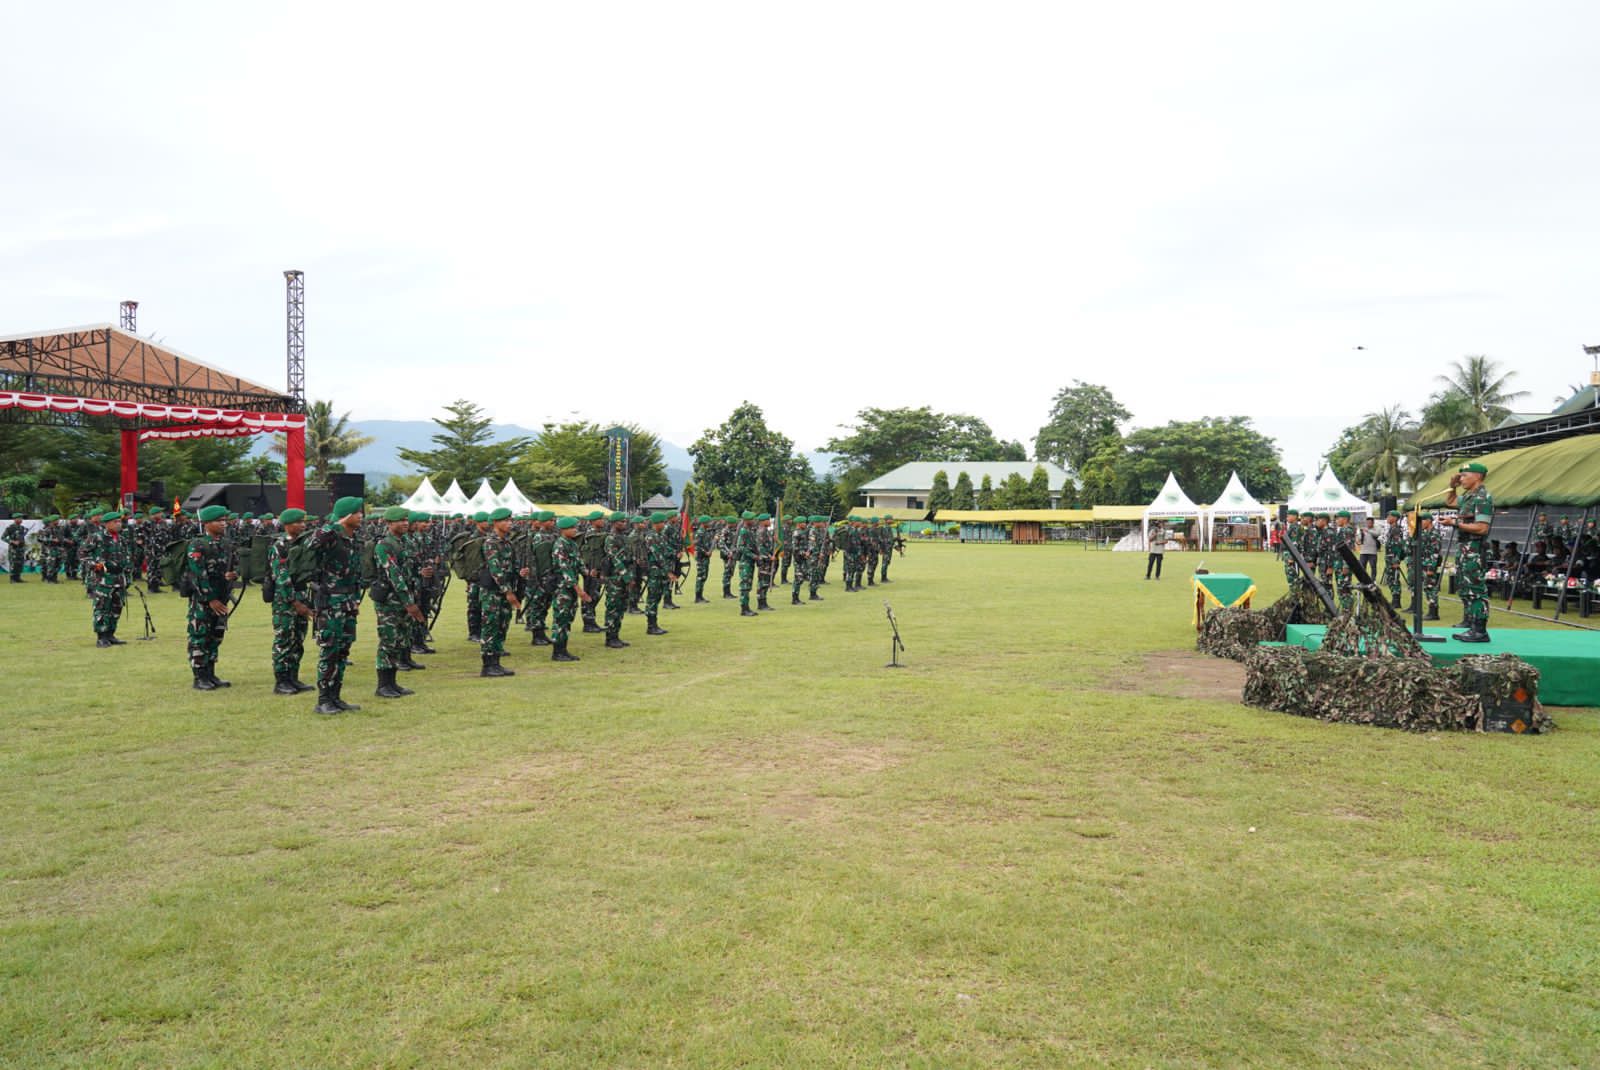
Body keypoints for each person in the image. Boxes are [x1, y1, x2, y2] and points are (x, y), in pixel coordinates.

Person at [310, 496, 367, 713]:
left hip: (347, 601)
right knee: (329, 650)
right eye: (357, 512)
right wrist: (335, 523)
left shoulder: (352, 540)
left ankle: (336, 697)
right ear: (347, 516)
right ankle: (323, 700)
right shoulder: (330, 536)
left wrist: (355, 599)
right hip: (330, 601)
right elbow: (311, 543)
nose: (361, 516)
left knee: (343, 650)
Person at [372, 506, 426, 698]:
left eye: (406, 519)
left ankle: (392, 682)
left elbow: (409, 571)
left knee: (400, 640)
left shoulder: (406, 543)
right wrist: (409, 602)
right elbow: (394, 575)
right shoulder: (384, 545)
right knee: (388, 641)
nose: (405, 523)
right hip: (390, 601)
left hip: (405, 599)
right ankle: (383, 685)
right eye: (400, 520)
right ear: (389, 523)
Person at [185, 504, 237, 690]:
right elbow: (197, 574)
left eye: (225, 520)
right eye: (219, 521)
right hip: (203, 599)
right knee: (200, 636)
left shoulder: (226, 543)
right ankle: (200, 676)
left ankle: (211, 673)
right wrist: (210, 599)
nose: (224, 524)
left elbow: (231, 567)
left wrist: (233, 575)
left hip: (222, 596)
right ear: (206, 523)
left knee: (216, 635)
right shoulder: (197, 544)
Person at [1441, 462, 1493, 642]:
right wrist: (1452, 486)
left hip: (1475, 550)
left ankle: (1480, 631)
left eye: (1464, 475)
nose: (1461, 478)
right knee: (1466, 587)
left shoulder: (1482, 498)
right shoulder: (1469, 497)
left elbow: (1482, 528)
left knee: (1476, 589)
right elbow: (1450, 502)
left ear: (1477, 476)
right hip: (1465, 548)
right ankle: (1471, 625)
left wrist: (1455, 523)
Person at [268, 507, 316, 695]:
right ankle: (281, 681)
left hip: (302, 597)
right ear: (287, 525)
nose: (303, 525)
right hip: (285, 602)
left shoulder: (304, 545)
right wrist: (296, 603)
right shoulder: (278, 547)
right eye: (298, 522)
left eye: (303, 522)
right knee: (284, 640)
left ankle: (293, 677)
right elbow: (282, 577)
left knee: (298, 639)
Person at [478, 507, 522, 678]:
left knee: (502, 625)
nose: (509, 523)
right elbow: (495, 569)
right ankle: (487, 665)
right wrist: (508, 592)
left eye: (510, 520)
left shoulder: (508, 542)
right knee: (490, 626)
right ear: (495, 522)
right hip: (493, 592)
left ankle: (496, 662)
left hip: (505, 590)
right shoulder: (491, 542)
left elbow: (511, 566)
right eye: (505, 520)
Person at [86, 510, 132, 646]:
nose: (119, 524)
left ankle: (111, 634)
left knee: (116, 607)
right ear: (107, 524)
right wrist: (95, 565)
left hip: (119, 579)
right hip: (103, 579)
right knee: (102, 607)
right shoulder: (97, 537)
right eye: (115, 522)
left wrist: (128, 575)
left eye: (120, 521)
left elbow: (127, 557)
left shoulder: (122, 538)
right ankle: (101, 636)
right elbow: (83, 553)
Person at [550, 515, 590, 661]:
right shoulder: (560, 545)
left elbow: (578, 563)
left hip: (570, 588)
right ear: (564, 529)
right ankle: (557, 651)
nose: (575, 530)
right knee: (561, 618)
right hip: (563, 588)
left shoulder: (571, 544)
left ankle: (563, 649)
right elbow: (565, 570)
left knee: (568, 618)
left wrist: (587, 573)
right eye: (572, 528)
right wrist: (578, 589)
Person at [1412, 512, 1442, 621]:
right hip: (1424, 564)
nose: (1422, 523)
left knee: (1431, 587)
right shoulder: (1426, 533)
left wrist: (1431, 568)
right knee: (1427, 587)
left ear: (1429, 521)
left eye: (1423, 521)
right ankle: (1431, 609)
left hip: (1430, 565)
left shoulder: (1434, 534)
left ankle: (1433, 612)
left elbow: (1435, 552)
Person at [1381, 511, 1409, 609]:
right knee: (1390, 579)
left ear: (1395, 518)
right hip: (1389, 558)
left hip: (1393, 559)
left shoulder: (1396, 529)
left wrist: (1396, 560)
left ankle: (1396, 601)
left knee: (1394, 579)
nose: (1387, 518)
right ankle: (1394, 599)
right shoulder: (1391, 529)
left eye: (1390, 516)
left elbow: (1398, 546)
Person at [735, 511, 758, 616]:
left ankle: (747, 607)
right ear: (746, 520)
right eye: (752, 519)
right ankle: (744, 609)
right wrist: (753, 556)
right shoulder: (743, 531)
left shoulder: (749, 531)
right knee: (744, 586)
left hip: (750, 562)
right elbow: (741, 547)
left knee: (747, 585)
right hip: (745, 562)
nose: (754, 521)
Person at [5, 516, 25, 582]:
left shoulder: (22, 528)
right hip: (13, 549)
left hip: (21, 548)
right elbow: (3, 537)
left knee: (20, 563)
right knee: (13, 563)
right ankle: (12, 579)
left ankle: (18, 578)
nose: (21, 520)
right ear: (15, 519)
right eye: (19, 518)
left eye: (21, 518)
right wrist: (12, 541)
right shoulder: (10, 528)